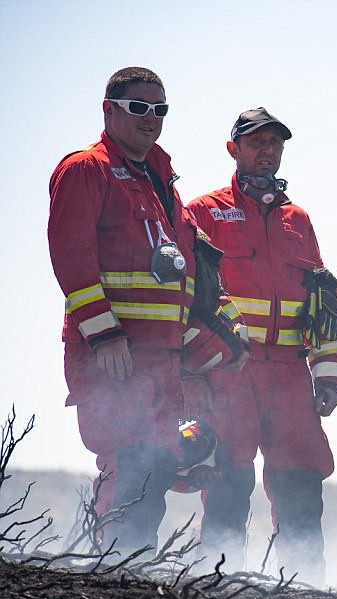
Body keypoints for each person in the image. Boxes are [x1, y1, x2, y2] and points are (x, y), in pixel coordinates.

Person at [47, 67, 242, 552]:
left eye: (160, 110)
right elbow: (71, 255)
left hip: (161, 362)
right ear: (109, 109)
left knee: (156, 463)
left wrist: (212, 337)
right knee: (128, 460)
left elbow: (184, 271)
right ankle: (109, 571)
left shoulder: (161, 184)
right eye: (138, 107)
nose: (150, 118)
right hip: (113, 356)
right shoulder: (86, 170)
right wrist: (103, 333)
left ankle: (132, 570)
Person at [187, 107, 337, 579]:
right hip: (232, 370)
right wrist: (196, 368)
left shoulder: (300, 219)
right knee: (228, 481)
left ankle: (304, 589)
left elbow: (321, 302)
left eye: (274, 143)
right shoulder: (203, 212)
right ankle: (217, 587)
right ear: (234, 149)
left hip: (291, 376)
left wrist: (328, 376)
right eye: (256, 142)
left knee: (301, 483)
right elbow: (188, 297)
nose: (266, 150)